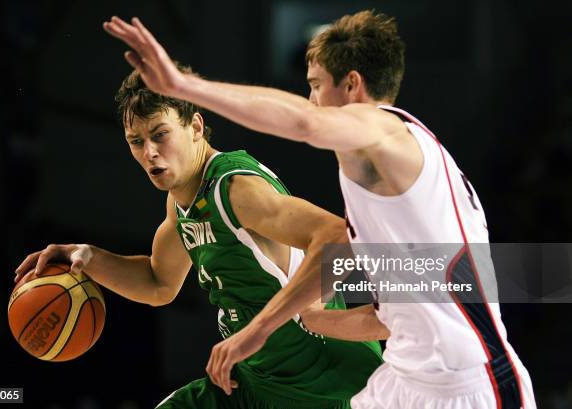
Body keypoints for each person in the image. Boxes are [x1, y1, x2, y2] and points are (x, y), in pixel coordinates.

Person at [103, 9, 537, 409]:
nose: (308, 100)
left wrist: (182, 86)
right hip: (403, 383)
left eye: (314, 86)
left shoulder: (383, 131)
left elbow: (304, 124)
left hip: (469, 385)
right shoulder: (382, 174)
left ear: (351, 85)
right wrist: (310, 318)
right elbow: (397, 308)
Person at [14, 68, 386, 408]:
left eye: (160, 134)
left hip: (319, 380)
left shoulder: (234, 188)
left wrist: (286, 322)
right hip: (252, 379)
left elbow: (338, 237)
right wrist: (88, 257)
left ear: (194, 127)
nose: (150, 153)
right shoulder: (181, 203)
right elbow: (159, 282)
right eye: (136, 141)